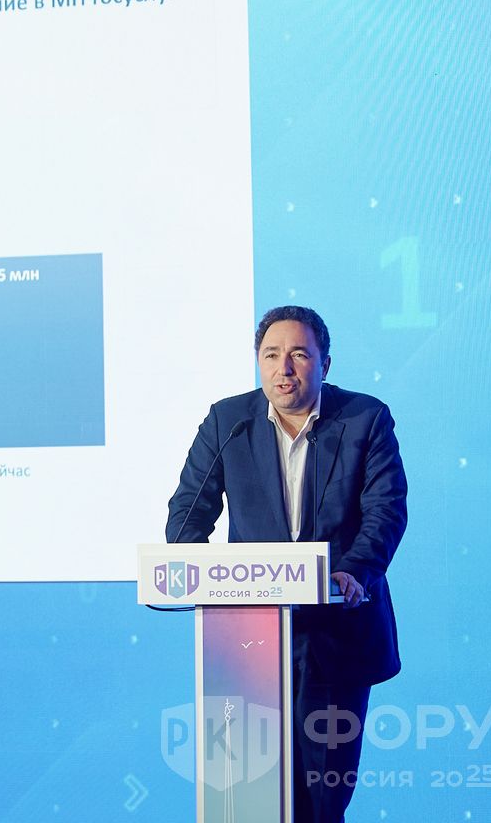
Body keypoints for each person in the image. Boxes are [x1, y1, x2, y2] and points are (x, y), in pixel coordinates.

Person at [166, 306, 408, 823]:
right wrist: (194, 569)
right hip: (247, 641)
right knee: (247, 797)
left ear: (324, 363)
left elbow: (385, 510)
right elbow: (189, 512)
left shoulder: (365, 419)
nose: (284, 368)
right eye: (271, 355)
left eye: (299, 354)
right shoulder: (228, 422)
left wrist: (355, 571)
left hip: (335, 633)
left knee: (322, 798)